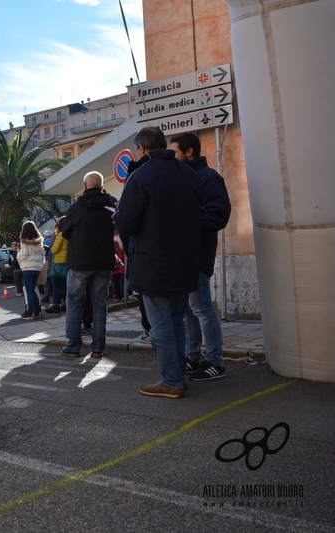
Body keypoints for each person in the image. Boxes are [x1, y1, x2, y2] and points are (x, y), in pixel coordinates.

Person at [113, 127, 204, 399]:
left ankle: (171, 380)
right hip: (185, 260)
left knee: (161, 326)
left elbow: (126, 220)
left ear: (141, 148)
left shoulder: (141, 176)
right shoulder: (189, 173)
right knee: (176, 322)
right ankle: (176, 376)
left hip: (154, 262)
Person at [171, 132, 232, 381]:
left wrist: (186, 230)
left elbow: (218, 215)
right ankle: (193, 356)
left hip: (197, 253)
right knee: (188, 310)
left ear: (189, 152)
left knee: (202, 308)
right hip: (182, 253)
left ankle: (215, 362)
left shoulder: (208, 177)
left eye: (174, 151)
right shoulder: (182, 177)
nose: (171, 156)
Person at [60, 171, 117, 358]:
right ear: (101, 187)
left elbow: (65, 231)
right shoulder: (110, 205)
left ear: (84, 187)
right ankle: (98, 348)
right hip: (103, 263)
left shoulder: (76, 208)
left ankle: (73, 346)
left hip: (79, 263)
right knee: (100, 305)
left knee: (75, 303)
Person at [17, 221, 45, 319]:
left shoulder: (24, 242)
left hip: (27, 268)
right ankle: (38, 311)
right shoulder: (40, 242)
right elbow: (42, 256)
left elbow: (24, 256)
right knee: (33, 289)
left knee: (29, 290)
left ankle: (31, 311)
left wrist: (18, 254)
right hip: (37, 268)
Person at [46, 218, 68, 313]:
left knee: (56, 285)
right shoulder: (70, 235)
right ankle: (66, 304)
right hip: (68, 262)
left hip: (59, 262)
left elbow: (54, 250)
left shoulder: (60, 235)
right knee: (66, 285)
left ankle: (56, 304)